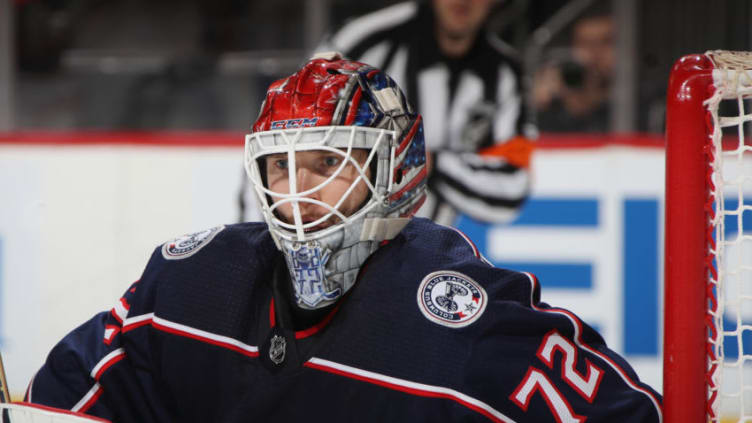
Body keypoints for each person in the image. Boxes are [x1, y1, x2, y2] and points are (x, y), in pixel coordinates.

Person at [26, 54, 661, 422]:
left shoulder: (468, 323)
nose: (298, 192)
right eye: (282, 166)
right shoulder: (187, 286)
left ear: (395, 171)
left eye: (329, 164)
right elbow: (53, 407)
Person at [312, 0, 534, 226]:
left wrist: (428, 161)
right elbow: (295, 133)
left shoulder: (504, 74)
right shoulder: (362, 42)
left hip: (429, 253)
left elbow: (510, 192)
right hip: (335, 235)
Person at [533, 9, 615, 133]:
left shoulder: (639, 99)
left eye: (605, 42)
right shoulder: (557, 97)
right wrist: (538, 106)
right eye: (586, 43)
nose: (594, 53)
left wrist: (595, 98)